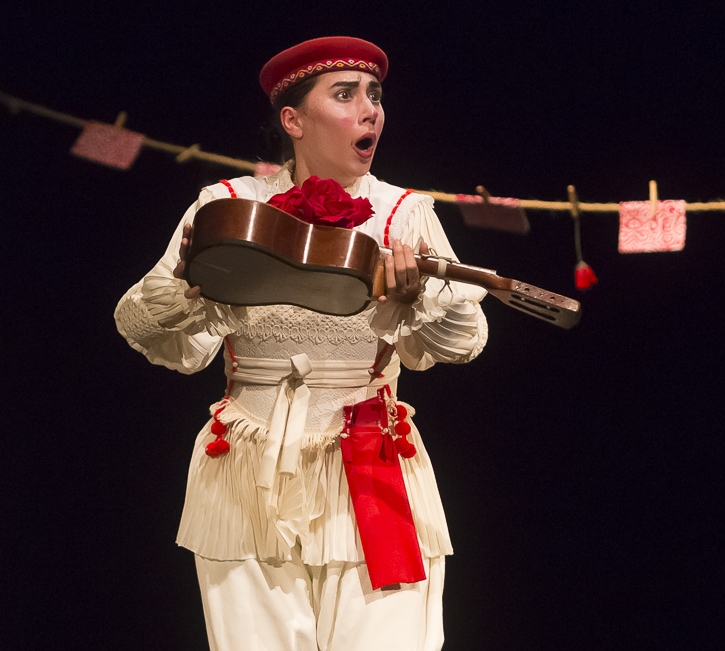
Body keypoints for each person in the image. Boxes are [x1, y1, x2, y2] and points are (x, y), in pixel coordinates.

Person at [114, 36, 488, 650]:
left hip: (371, 464)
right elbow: (143, 325)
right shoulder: (229, 205)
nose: (369, 110)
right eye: (345, 95)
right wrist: (189, 290)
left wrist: (412, 301)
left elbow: (463, 340)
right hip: (245, 471)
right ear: (293, 120)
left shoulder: (404, 213)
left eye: (374, 95)